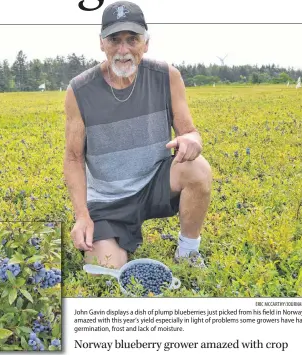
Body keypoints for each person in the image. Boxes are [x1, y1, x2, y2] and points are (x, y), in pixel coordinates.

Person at [64, 1, 212, 269]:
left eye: (132, 39)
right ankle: (115, 239)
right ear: (101, 43)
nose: (123, 50)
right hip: (108, 200)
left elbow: (190, 132)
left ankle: (188, 251)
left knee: (198, 169)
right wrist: (82, 216)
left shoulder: (167, 76)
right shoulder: (79, 90)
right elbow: (74, 158)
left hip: (154, 184)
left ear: (146, 42)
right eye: (114, 40)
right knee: (105, 267)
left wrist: (192, 141)